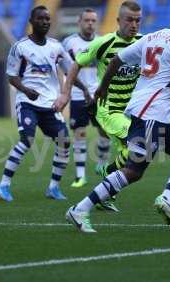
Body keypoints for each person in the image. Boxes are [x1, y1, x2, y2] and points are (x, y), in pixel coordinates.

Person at [60, 2, 170, 233]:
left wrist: (102, 88)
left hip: (154, 117)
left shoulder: (151, 37)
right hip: (150, 116)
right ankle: (80, 209)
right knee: (134, 171)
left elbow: (117, 60)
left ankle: (166, 198)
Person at [0, 6, 89, 202]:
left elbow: (69, 72)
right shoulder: (20, 47)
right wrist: (26, 90)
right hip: (27, 102)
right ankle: (3, 185)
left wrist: (84, 90)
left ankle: (53, 188)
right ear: (31, 21)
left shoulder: (56, 46)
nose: (45, 22)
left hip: (50, 105)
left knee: (64, 142)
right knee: (26, 140)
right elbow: (11, 77)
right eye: (41, 19)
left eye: (47, 19)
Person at [56, 1, 143, 212]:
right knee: (138, 145)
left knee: (133, 155)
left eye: (138, 20)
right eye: (129, 20)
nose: (134, 25)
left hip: (130, 111)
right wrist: (66, 92)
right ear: (118, 20)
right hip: (108, 110)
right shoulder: (104, 43)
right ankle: (99, 184)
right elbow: (76, 64)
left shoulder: (144, 43)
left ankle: (106, 182)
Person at [62, 8, 111, 188]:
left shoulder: (101, 42)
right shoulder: (69, 43)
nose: (90, 23)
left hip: (98, 94)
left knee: (104, 131)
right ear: (79, 22)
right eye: (87, 20)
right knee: (80, 134)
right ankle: (80, 175)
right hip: (77, 95)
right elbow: (67, 70)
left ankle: (101, 165)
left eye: (93, 20)